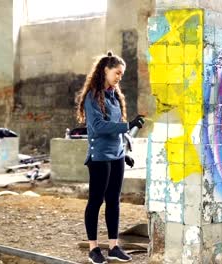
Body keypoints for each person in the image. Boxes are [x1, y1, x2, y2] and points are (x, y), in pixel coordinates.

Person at [75, 51, 145, 263]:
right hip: (99, 157)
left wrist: (125, 152)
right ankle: (93, 249)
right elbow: (97, 127)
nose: (119, 78)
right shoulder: (93, 96)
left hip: (116, 156)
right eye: (117, 73)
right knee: (96, 201)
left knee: (114, 201)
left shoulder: (115, 96)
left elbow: (118, 130)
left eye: (121, 75)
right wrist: (128, 124)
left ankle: (114, 246)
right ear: (105, 70)